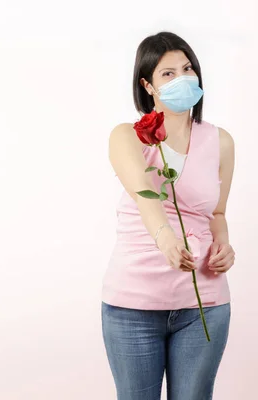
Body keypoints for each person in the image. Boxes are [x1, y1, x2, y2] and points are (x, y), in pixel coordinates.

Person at [100, 31, 236, 400]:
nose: (182, 79)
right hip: (133, 305)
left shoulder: (220, 141)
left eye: (188, 68)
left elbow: (217, 212)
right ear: (148, 85)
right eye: (168, 74)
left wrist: (224, 246)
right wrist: (166, 241)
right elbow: (146, 195)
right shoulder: (126, 136)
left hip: (203, 303)